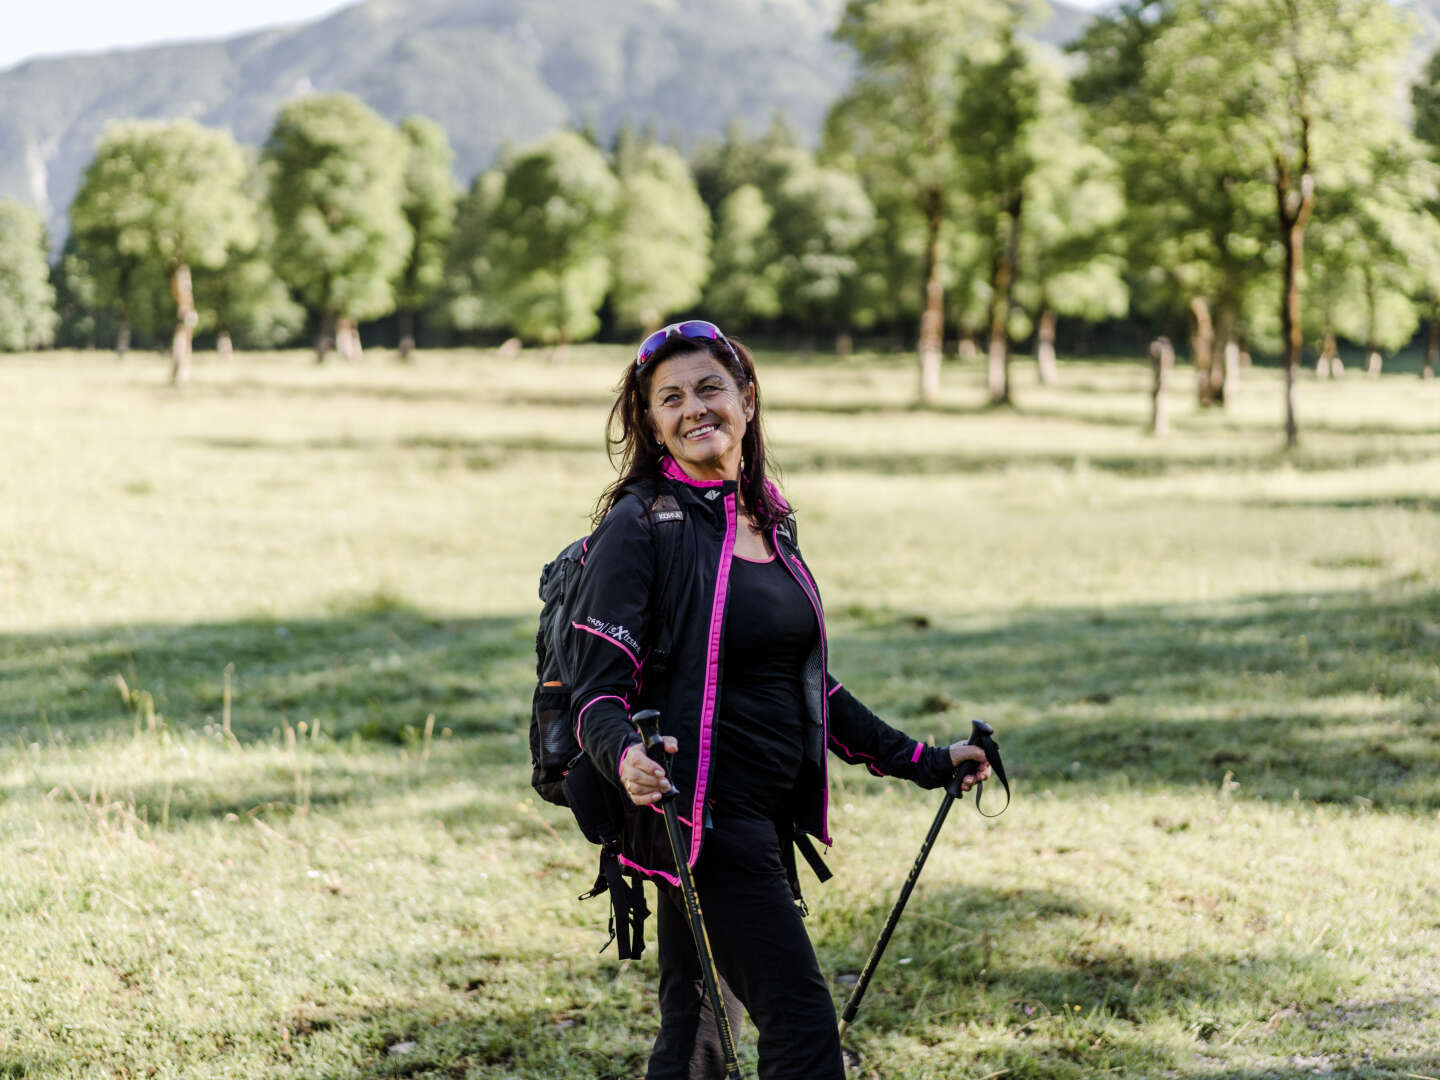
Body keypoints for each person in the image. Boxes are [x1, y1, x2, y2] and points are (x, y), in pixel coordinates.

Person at [567, 319, 991, 1080]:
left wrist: (923, 761)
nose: (694, 408)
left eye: (709, 388)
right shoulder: (639, 526)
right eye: (670, 398)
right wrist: (625, 753)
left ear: (747, 401)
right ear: (652, 423)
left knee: (698, 1031)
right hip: (701, 813)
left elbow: (804, 682)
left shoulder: (768, 516)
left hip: (765, 812)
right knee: (801, 1025)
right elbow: (597, 692)